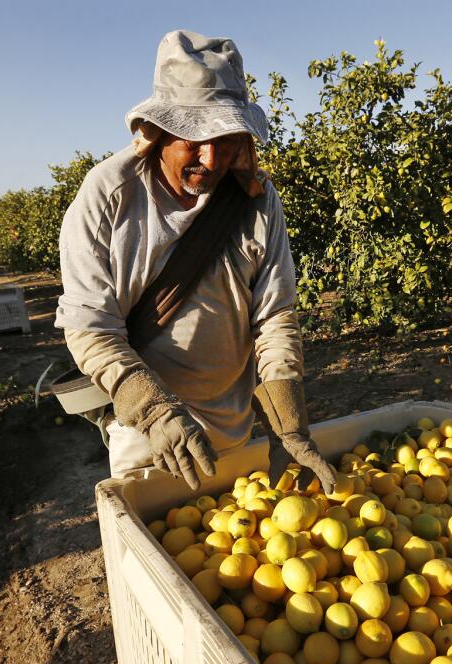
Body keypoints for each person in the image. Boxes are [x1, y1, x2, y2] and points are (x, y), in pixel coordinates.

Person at [55, 30, 336, 493]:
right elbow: (90, 328)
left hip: (234, 420)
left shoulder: (254, 200)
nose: (211, 157)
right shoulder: (109, 197)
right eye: (193, 138)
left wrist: (288, 425)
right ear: (158, 132)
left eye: (224, 140)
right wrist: (154, 411)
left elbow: (275, 315)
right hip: (149, 432)